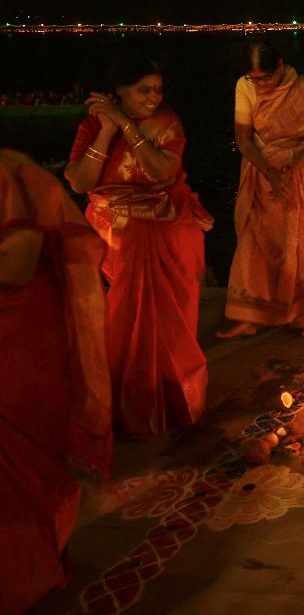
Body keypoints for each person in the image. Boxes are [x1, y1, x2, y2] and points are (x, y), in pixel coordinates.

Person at [63, 52, 211, 435]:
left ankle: (171, 397)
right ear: (120, 89)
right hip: (110, 235)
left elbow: (164, 169)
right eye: (143, 90)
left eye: (158, 90)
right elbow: (80, 182)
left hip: (164, 228)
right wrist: (107, 130)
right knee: (113, 321)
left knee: (167, 323)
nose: (153, 97)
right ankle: (120, 399)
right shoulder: (93, 125)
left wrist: (127, 125)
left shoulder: (166, 124)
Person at [1, 148, 111, 612]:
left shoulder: (13, 175)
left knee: (22, 460)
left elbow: (15, 265)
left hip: (18, 332)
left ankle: (29, 570)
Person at [219, 42, 304, 337]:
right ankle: (252, 315)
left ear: (281, 66)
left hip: (301, 169)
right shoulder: (244, 86)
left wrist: (289, 170)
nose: (261, 84)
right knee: (254, 236)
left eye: (266, 78)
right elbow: (244, 138)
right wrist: (269, 171)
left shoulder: (300, 88)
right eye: (255, 78)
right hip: (262, 166)